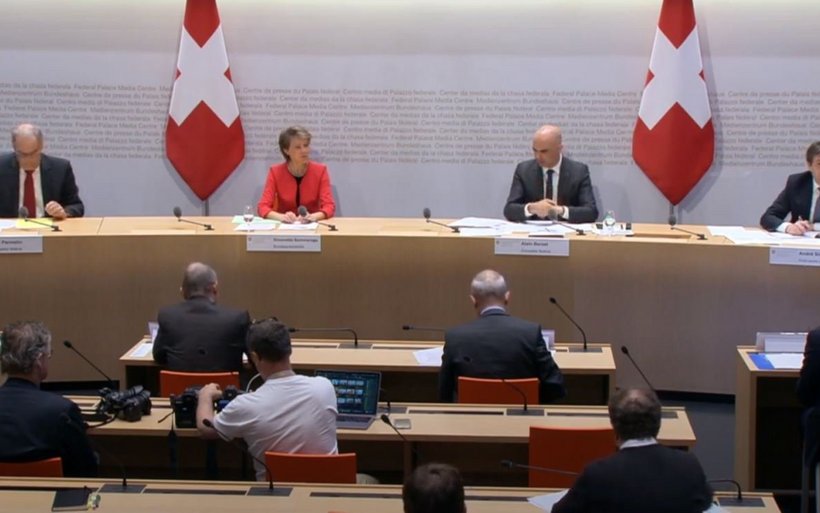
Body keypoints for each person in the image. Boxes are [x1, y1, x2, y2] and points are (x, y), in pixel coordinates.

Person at [196, 318, 338, 481]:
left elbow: (206, 429)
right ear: (289, 350)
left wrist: (205, 397)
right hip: (327, 491)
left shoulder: (245, 406)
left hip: (274, 493)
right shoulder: (325, 387)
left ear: (255, 357)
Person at [552, 389, 713, 513]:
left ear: (615, 427)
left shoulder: (597, 474)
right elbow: (705, 502)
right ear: (658, 424)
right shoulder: (688, 465)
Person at [438, 269, 565, 403]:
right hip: (522, 415)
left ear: (473, 300)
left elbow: (444, 392)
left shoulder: (455, 337)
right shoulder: (530, 333)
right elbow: (556, 386)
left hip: (472, 415)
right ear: (507, 297)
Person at [0, 321, 97, 477]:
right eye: (48, 354)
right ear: (39, 360)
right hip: (51, 492)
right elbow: (86, 470)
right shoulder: (62, 411)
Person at [153, 262, 250, 375]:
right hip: (225, 386)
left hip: (180, 386)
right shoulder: (237, 318)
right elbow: (254, 358)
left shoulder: (168, 316)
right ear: (214, 288)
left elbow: (159, 357)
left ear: (182, 291)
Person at [504, 125, 597, 224]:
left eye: (544, 151)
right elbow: (509, 210)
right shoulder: (524, 170)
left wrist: (561, 211)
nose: (538, 156)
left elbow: (591, 212)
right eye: (535, 150)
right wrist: (532, 208)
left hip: (566, 230)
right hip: (533, 230)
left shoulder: (578, 171)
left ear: (560, 149)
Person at [0, 123, 84, 219]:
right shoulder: (2, 167)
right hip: (10, 227)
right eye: (22, 154)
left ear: (41, 146)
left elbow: (76, 206)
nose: (28, 160)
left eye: (33, 153)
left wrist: (63, 212)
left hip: (47, 226)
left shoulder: (60, 168)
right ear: (14, 148)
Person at [257, 126, 336, 223]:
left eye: (306, 145)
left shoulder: (320, 171)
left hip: (311, 225)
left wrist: (312, 217)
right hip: (285, 226)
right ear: (286, 150)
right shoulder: (275, 172)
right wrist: (282, 217)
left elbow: (329, 206)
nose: (304, 150)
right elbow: (262, 207)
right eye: (298, 147)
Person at [761, 141, 820, 234]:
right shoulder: (797, 183)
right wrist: (789, 227)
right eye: (819, 164)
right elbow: (768, 217)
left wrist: (813, 226)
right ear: (809, 165)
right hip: (802, 241)